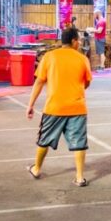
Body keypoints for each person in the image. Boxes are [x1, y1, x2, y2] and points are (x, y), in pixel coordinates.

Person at [26, 27, 93, 186]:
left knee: (44, 140)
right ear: (74, 41)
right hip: (77, 107)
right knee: (79, 142)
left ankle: (36, 169)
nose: (79, 43)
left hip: (54, 107)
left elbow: (39, 82)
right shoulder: (82, 58)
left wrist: (30, 105)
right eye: (78, 40)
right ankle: (79, 177)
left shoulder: (49, 57)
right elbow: (87, 83)